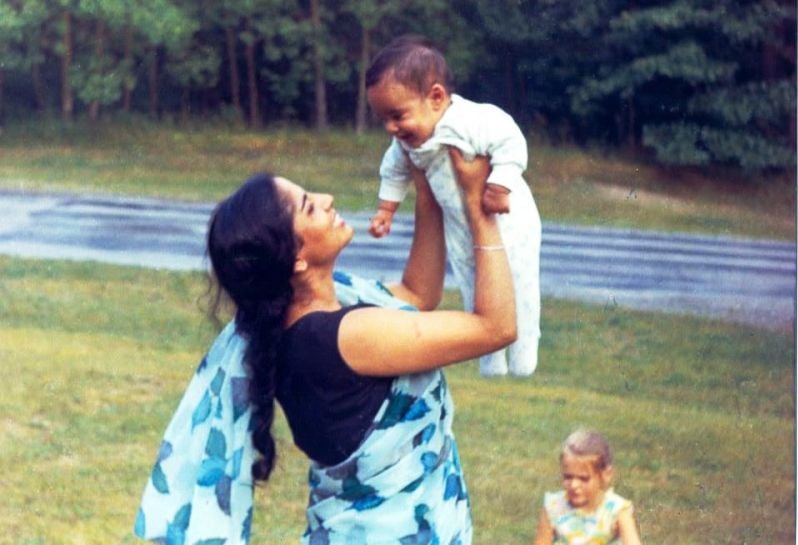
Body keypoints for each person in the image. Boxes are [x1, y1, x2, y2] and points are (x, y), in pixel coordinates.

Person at [134, 149, 515, 545]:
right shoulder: (345, 337)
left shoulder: (292, 328)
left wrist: (426, 189)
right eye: (309, 207)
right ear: (295, 258)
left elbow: (417, 295)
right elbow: (496, 328)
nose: (327, 199)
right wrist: (477, 207)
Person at [365, 34, 542, 377]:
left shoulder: (472, 120)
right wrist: (386, 211)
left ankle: (525, 355)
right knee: (473, 282)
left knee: (519, 282)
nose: (391, 127)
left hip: (508, 216)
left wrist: (499, 184)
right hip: (460, 224)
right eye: (383, 119)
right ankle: (491, 360)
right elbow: (393, 171)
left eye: (397, 115)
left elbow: (511, 143)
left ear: (435, 97)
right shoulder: (406, 141)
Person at [533, 429, 643, 545]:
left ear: (606, 475)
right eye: (568, 477)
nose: (574, 485)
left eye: (583, 479)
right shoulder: (554, 507)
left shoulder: (616, 510)